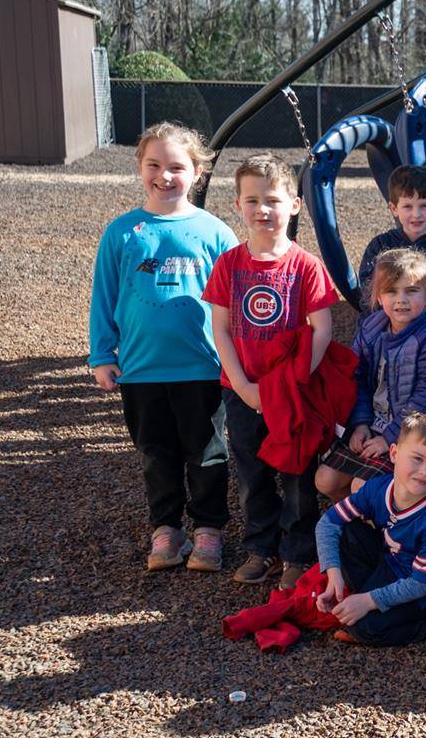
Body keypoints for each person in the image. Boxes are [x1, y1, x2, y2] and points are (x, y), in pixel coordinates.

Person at [89, 122, 238, 573]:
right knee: (156, 453)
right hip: (141, 370)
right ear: (140, 168)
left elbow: (235, 302)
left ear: (197, 172)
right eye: (154, 165)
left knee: (208, 451)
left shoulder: (215, 233)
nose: (164, 176)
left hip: (202, 366)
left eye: (176, 166)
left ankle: (209, 529)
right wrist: (102, 355)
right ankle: (166, 529)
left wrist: (241, 361)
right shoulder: (123, 233)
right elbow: (104, 296)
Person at [203, 154, 339, 589]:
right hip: (241, 390)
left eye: (273, 200)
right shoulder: (228, 265)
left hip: (293, 391)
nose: (263, 209)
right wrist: (243, 386)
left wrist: (295, 382)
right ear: (238, 205)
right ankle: (260, 548)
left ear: (295, 205)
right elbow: (219, 329)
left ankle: (298, 553)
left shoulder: (306, 266)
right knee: (252, 471)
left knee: (298, 472)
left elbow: (322, 328)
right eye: (253, 200)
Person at [315, 248, 426, 502]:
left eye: (411, 290)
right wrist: (361, 423)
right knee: (325, 479)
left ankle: (384, 526)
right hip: (377, 424)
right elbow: (358, 378)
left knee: (362, 487)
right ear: (378, 296)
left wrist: (390, 438)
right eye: (391, 291)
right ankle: (358, 519)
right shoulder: (371, 328)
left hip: (421, 434)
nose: (401, 300)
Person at [314, 414, 426, 647]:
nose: (425, 472)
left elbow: (421, 584)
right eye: (417, 458)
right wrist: (333, 575)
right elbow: (328, 523)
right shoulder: (378, 488)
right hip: (390, 562)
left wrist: (367, 601)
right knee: (347, 530)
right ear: (394, 454)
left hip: (424, 590)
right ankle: (359, 599)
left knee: (365, 629)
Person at [358, 165, 426, 312]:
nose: (416, 214)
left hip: (425, 322)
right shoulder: (380, 245)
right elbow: (368, 287)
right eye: (408, 206)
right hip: (385, 318)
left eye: (424, 206)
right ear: (394, 209)